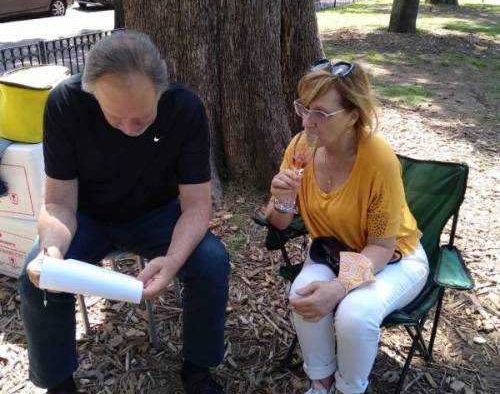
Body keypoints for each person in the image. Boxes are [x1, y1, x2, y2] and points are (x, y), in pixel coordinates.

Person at [19, 31, 229, 394]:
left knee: (211, 261)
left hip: (158, 215)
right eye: (116, 118)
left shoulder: (185, 109)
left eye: (142, 118)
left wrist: (174, 260)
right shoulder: (65, 104)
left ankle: (198, 370)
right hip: (85, 218)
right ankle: (57, 383)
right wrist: (52, 252)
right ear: (91, 91)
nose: (130, 130)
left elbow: (196, 206)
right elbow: (58, 204)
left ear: (161, 90)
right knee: (36, 275)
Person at [265, 59, 429, 394]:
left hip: (394, 257)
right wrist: (282, 199)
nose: (307, 123)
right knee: (301, 294)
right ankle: (321, 381)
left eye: (321, 114)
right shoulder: (301, 147)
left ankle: (350, 388)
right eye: (304, 109)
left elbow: (382, 247)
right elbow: (279, 222)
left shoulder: (377, 159)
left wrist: (339, 288)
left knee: (354, 314)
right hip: (333, 251)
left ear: (353, 116)